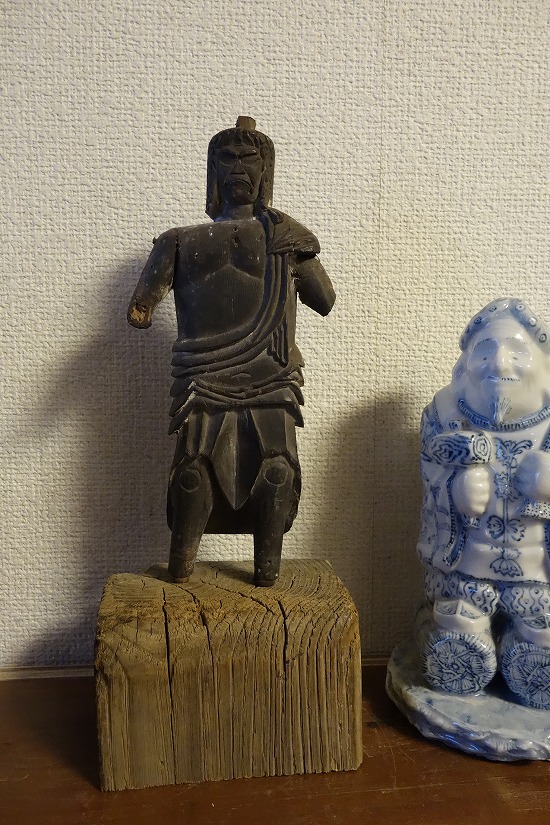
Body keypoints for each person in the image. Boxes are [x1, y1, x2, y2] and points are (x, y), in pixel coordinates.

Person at [128, 117, 335, 587]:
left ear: (266, 170)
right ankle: (181, 565)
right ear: (213, 170)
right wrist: (142, 307)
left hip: (270, 376)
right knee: (192, 475)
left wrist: (299, 244)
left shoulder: (285, 240)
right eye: (228, 157)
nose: (239, 167)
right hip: (202, 379)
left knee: (276, 472)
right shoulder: (177, 242)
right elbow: (141, 307)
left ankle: (267, 570)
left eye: (250, 158)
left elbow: (324, 300)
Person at [417, 298, 550, 708]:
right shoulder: (444, 415)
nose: (500, 363)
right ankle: (467, 654)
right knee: (458, 633)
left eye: (517, 351)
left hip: (538, 577)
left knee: (541, 641)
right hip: (467, 571)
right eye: (485, 351)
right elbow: (431, 475)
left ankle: (528, 654)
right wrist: (455, 491)